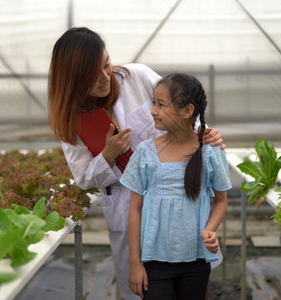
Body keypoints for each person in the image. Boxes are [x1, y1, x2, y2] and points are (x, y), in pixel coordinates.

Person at [47, 27, 225, 300]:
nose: (106, 78)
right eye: (93, 76)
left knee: (192, 284)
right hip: (132, 213)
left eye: (106, 64)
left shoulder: (136, 77)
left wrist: (206, 133)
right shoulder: (71, 118)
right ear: (73, 80)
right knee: (148, 289)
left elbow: (184, 109)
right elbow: (83, 178)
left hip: (181, 209)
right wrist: (108, 154)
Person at [120, 73, 231, 299]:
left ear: (187, 111)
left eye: (161, 105)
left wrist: (210, 230)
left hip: (197, 260)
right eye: (153, 102)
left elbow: (221, 201)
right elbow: (134, 209)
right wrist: (135, 263)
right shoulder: (145, 152)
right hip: (154, 261)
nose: (153, 110)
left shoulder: (210, 150)